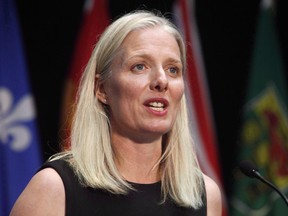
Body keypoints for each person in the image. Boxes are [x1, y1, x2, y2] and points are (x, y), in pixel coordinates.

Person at [10, 10, 222, 216]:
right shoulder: (54, 189)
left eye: (172, 69)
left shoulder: (204, 194)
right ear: (102, 89)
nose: (161, 81)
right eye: (140, 66)